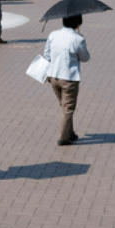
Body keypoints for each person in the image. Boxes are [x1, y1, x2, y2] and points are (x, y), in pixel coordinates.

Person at [44, 15, 90, 146]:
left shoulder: (53, 35)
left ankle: (70, 132)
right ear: (78, 23)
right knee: (68, 109)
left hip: (53, 77)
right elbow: (85, 57)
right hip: (69, 78)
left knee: (64, 106)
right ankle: (63, 137)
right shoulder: (78, 39)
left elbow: (47, 54)